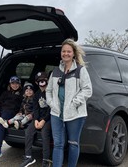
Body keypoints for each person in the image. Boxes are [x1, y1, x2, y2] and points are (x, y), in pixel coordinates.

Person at [46, 38, 93, 167]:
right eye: (63, 51)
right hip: (56, 113)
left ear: (73, 53)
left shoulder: (80, 70)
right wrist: (52, 104)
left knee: (73, 143)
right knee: (58, 144)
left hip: (75, 114)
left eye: (68, 51)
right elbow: (48, 91)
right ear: (61, 53)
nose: (65, 53)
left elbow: (88, 90)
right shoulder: (55, 71)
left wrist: (74, 103)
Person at [20, 72, 52, 167]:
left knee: (44, 133)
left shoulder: (51, 92)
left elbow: (51, 109)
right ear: (36, 82)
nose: (42, 82)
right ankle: (28, 157)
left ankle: (45, 160)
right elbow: (36, 109)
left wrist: (43, 121)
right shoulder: (37, 94)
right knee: (29, 131)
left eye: (44, 80)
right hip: (38, 118)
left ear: (47, 80)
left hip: (49, 118)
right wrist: (37, 120)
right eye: (39, 81)